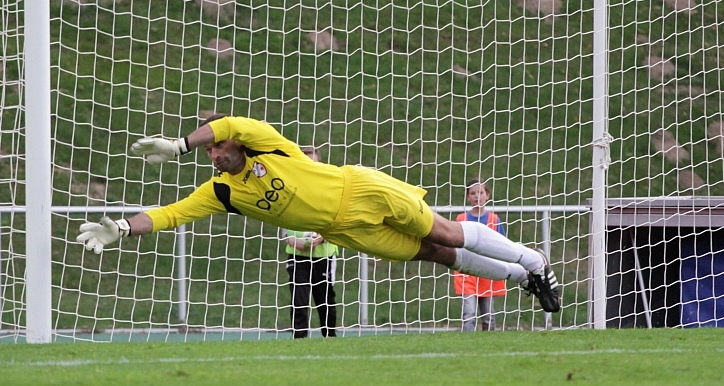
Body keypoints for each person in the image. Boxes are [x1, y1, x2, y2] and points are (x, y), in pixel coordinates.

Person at [77, 114, 562, 313]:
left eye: (217, 146)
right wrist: (123, 227)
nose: (215, 154)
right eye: (209, 152)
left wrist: (179, 145)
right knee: (434, 254)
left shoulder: (267, 144)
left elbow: (230, 121)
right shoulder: (222, 192)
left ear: (234, 142)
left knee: (447, 233)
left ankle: (535, 261)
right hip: (342, 229)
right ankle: (524, 279)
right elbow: (170, 214)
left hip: (362, 190)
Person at [282, 145, 338, 339]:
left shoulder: (330, 189)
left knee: (325, 300)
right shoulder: (289, 191)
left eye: (313, 163)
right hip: (297, 256)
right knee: (299, 300)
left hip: (324, 255)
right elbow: (283, 226)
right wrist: (295, 241)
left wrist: (323, 236)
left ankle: (329, 338)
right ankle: (299, 340)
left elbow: (338, 220)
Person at [454, 179, 506, 331]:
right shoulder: (461, 219)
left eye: (480, 192)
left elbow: (503, 244)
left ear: (487, 195)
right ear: (467, 197)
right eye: (472, 193)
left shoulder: (494, 220)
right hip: (467, 272)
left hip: (487, 271)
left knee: (488, 315)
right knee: (469, 313)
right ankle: (468, 341)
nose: (477, 196)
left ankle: (488, 341)